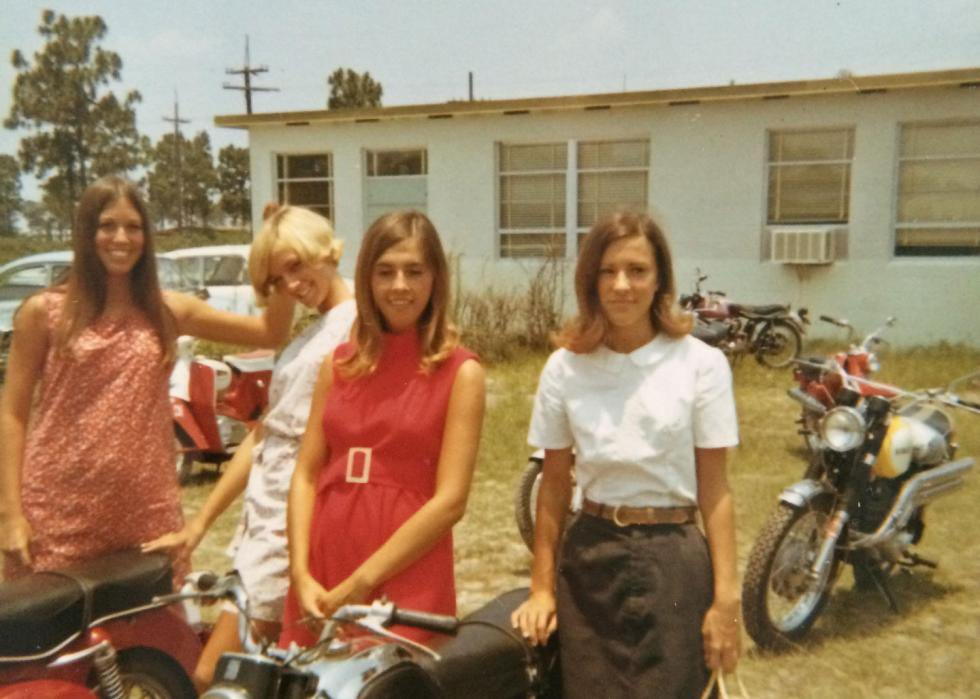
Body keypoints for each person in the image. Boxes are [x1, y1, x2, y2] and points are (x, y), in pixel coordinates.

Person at [0, 175, 295, 585]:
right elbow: (12, 414)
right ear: (86, 232)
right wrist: (10, 514)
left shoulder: (167, 311)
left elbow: (271, 332)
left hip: (145, 513)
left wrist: (277, 255)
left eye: (134, 227)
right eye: (107, 225)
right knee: (60, 643)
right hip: (57, 512)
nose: (121, 237)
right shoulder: (43, 312)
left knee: (153, 642)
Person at [511, 211, 741, 698]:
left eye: (637, 270)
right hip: (591, 558)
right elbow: (553, 485)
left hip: (674, 559)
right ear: (589, 280)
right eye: (608, 271)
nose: (622, 285)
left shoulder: (702, 365)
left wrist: (726, 602)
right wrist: (542, 589)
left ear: (660, 280)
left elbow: (715, 490)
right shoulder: (565, 368)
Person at [142, 203, 356, 690]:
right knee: (261, 675)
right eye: (279, 279)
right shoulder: (313, 332)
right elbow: (262, 434)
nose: (293, 284)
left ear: (325, 251)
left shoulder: (355, 325)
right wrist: (200, 522)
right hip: (264, 515)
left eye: (297, 265)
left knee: (214, 676)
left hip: (294, 519)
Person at [280, 210, 485, 646]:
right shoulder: (338, 365)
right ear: (367, 279)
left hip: (405, 570)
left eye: (414, 272)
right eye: (385, 272)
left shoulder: (460, 372)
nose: (399, 286)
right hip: (322, 565)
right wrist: (300, 571)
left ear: (436, 280)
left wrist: (362, 581)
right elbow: (306, 475)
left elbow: (451, 501)